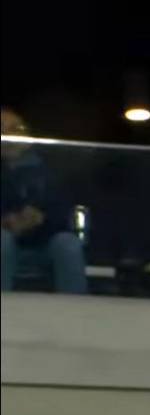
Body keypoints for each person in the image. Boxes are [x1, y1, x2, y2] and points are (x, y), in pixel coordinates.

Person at [1, 107, 88, 294]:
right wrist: (7, 223)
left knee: (67, 243)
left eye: (15, 129)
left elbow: (64, 210)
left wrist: (41, 218)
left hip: (44, 244)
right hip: (6, 245)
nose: (10, 136)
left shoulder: (51, 169)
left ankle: (78, 313)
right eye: (3, 130)